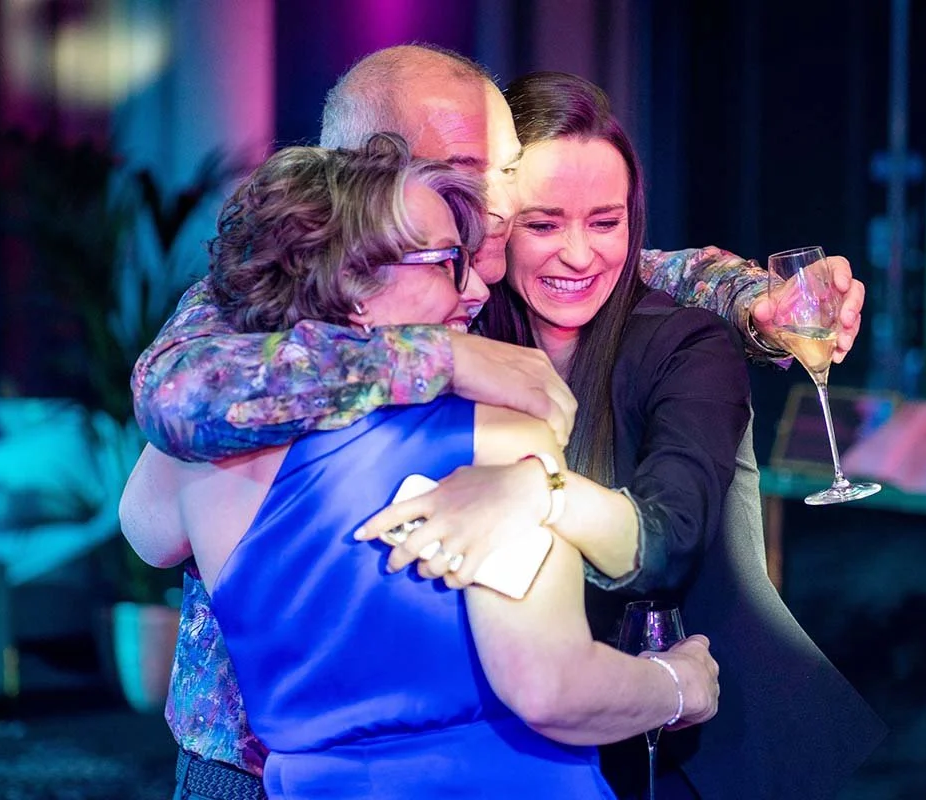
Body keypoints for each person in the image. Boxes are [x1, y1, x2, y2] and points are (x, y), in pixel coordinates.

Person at [126, 44, 869, 799]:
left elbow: (605, 260)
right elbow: (177, 405)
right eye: (471, 172)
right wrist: (439, 358)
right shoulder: (261, 326)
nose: (503, 202)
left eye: (507, 167)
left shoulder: (467, 268)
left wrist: (753, 299)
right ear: (367, 185)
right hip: (254, 759)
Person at [357, 72, 887, 800]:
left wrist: (535, 490)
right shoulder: (459, 339)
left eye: (605, 222)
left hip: (710, 747)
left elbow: (670, 538)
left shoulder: (686, 343)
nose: (579, 254)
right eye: (543, 225)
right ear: (495, 224)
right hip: (525, 746)